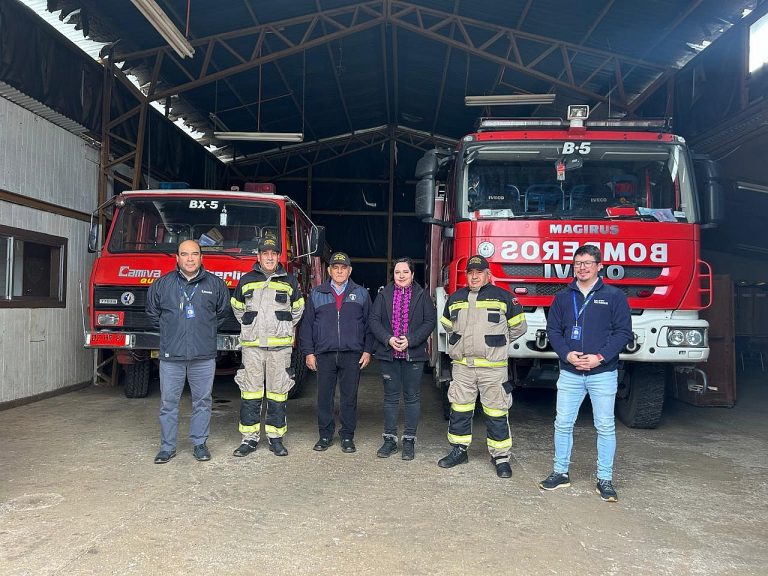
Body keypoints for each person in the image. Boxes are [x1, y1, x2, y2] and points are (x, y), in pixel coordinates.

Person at [538, 244, 632, 502]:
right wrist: (567, 354)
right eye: (578, 263)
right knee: (563, 423)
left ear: (599, 266)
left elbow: (623, 332)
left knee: (604, 425)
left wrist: (599, 357)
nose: (582, 267)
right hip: (570, 372)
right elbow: (554, 330)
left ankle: (605, 478)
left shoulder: (614, 296)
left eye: (587, 263)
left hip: (602, 373)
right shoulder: (562, 297)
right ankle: (560, 473)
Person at [437, 255, 527, 478]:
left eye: (479, 272)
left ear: (488, 274)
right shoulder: (455, 298)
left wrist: (496, 342)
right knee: (459, 409)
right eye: (470, 272)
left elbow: (519, 328)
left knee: (496, 412)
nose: (474, 276)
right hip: (463, 367)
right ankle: (459, 450)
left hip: (493, 368)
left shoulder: (504, 297)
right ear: (466, 275)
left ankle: (501, 457)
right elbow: (448, 326)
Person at [146, 239, 229, 464]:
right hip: (171, 356)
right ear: (177, 257)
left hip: (203, 356)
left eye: (194, 254)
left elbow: (221, 314)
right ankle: (167, 447)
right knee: (168, 403)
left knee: (202, 401)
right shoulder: (162, 285)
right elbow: (153, 314)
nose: (190, 259)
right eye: (185, 254)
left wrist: (202, 332)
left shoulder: (215, 284)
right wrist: (173, 331)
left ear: (202, 257)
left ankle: (200, 444)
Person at [229, 236, 304, 458]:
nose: (269, 257)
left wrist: (282, 329)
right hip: (252, 348)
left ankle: (275, 438)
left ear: (279, 257)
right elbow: (238, 308)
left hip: (280, 350)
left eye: (273, 253)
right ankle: (249, 439)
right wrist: (253, 328)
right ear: (259, 256)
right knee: (250, 393)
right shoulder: (246, 280)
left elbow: (298, 310)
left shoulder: (290, 281)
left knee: (278, 394)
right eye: (265, 253)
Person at [299, 251, 373, 453]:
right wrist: (309, 352)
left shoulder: (361, 293)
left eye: (343, 268)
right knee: (324, 396)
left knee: (349, 397)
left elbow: (369, 325)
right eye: (335, 268)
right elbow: (306, 326)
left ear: (349, 270)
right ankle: (325, 435)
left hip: (352, 354)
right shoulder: (317, 293)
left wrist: (367, 350)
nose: (339, 271)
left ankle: (347, 437)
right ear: (329, 271)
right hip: (324, 354)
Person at [369, 257, 436, 460]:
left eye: (405, 272)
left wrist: (411, 340)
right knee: (390, 398)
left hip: (412, 355)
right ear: (394, 274)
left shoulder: (422, 295)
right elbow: (374, 320)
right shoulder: (383, 294)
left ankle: (409, 440)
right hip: (388, 354)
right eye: (398, 272)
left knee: (412, 397)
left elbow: (429, 321)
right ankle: (389, 440)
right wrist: (388, 339)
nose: (401, 276)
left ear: (412, 274)